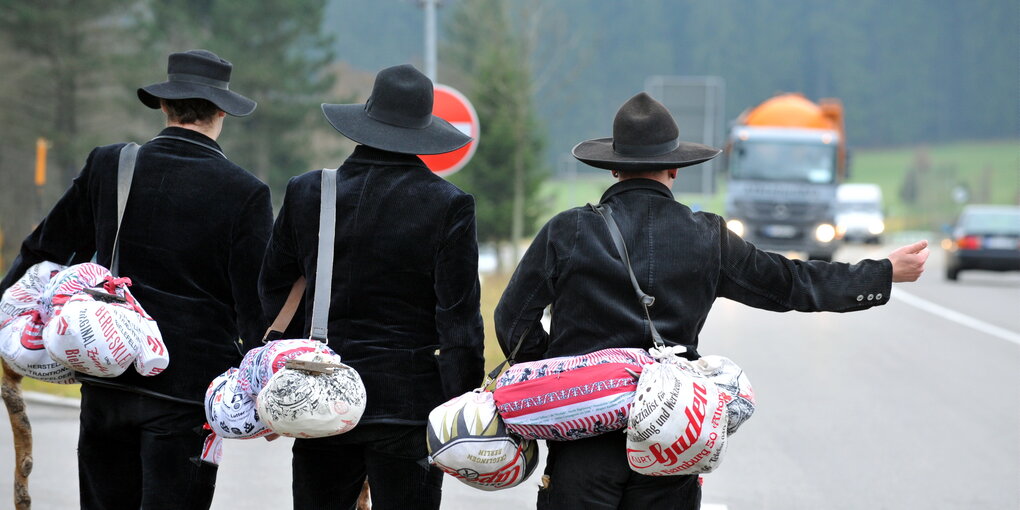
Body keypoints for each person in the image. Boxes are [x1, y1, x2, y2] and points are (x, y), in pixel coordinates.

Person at [494, 92, 928, 510]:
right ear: (676, 169)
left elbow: (512, 322)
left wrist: (564, 375)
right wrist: (882, 273)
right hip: (671, 436)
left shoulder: (567, 230)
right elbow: (792, 283)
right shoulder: (709, 236)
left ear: (613, 169)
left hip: (581, 444)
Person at [0, 49, 272, 509]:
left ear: (164, 105)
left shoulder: (112, 167)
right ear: (222, 111)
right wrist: (261, 395)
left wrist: (7, 320)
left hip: (106, 378)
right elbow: (254, 306)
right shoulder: (246, 193)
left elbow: (44, 249)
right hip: (188, 396)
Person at [258, 64, 485, 510]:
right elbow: (459, 320)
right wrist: (459, 400)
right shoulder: (449, 205)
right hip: (407, 404)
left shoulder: (307, 192)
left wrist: (285, 364)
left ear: (365, 121)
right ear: (422, 131)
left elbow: (271, 289)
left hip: (321, 396)